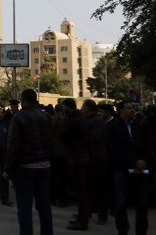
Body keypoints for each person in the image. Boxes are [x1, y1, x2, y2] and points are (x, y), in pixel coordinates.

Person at [4, 89, 53, 235]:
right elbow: (50, 140)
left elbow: (13, 145)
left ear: (23, 100)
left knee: (25, 208)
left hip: (25, 167)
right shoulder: (46, 116)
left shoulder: (19, 117)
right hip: (44, 165)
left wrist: (8, 168)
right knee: (44, 205)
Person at [108, 101, 151, 235]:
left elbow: (146, 144)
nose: (132, 110)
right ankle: (122, 230)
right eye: (128, 108)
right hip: (121, 169)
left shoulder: (138, 126)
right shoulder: (113, 127)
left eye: (133, 108)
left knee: (142, 204)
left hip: (139, 169)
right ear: (120, 110)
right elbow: (113, 148)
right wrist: (133, 161)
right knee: (121, 204)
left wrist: (144, 160)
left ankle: (141, 231)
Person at [61, 98, 91, 231]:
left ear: (66, 108)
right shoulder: (81, 118)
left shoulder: (73, 120)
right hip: (81, 156)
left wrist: (65, 121)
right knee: (81, 191)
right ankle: (82, 216)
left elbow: (63, 135)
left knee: (80, 191)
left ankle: (82, 221)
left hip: (77, 158)